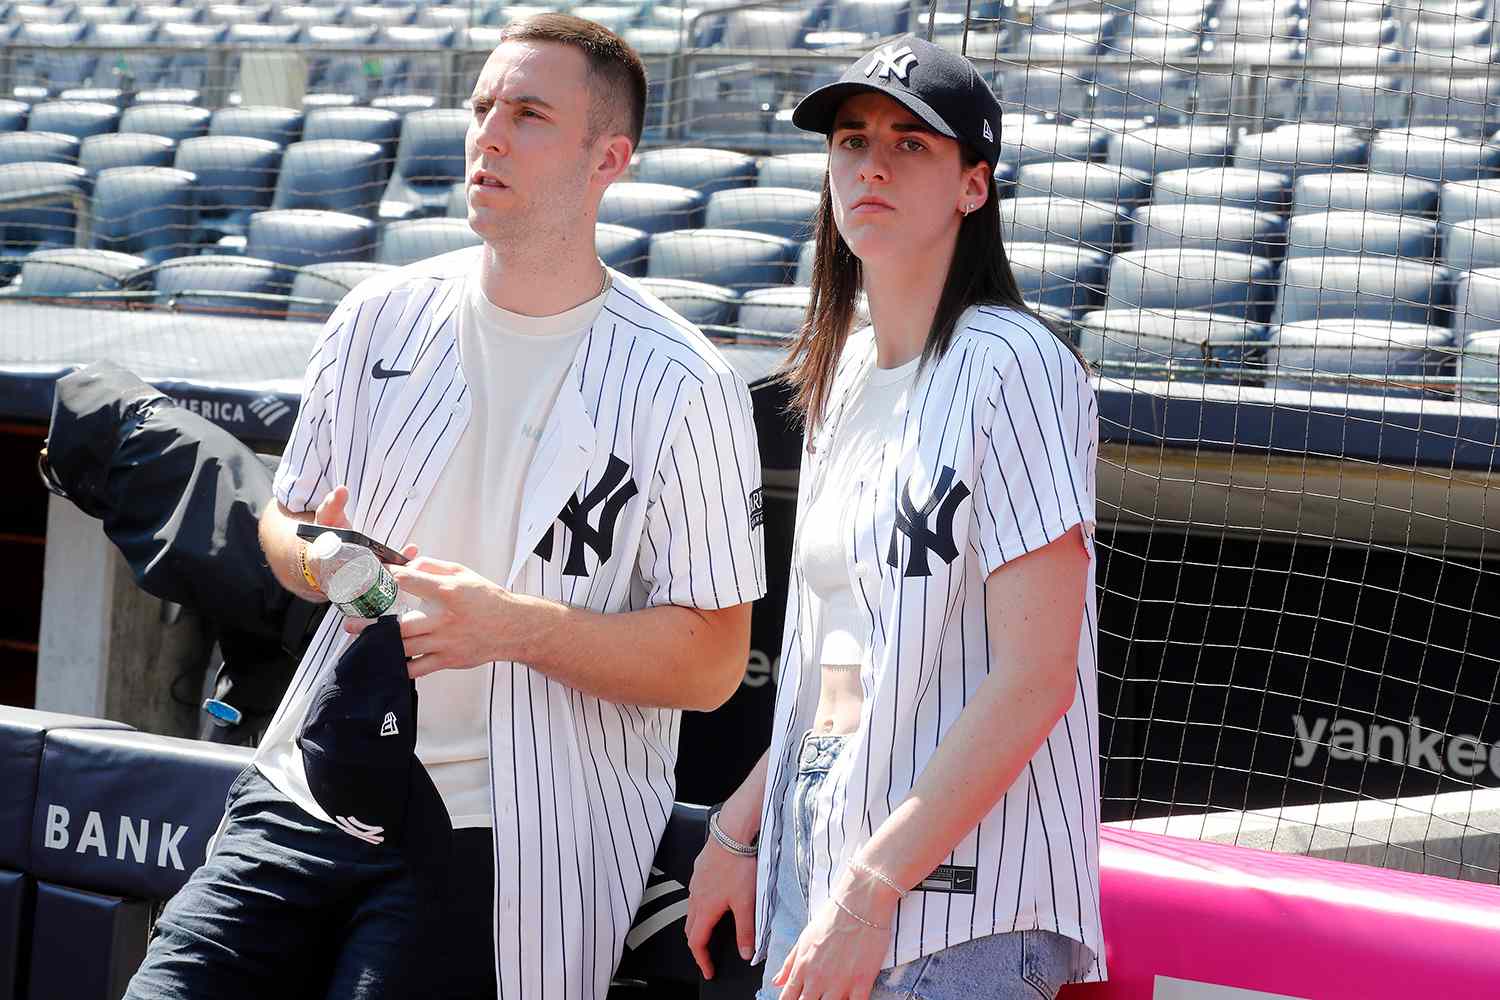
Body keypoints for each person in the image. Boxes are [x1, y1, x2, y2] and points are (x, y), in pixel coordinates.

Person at [124, 14, 767, 1000]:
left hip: (512, 830)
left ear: (611, 157)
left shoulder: (685, 381)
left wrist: (509, 628)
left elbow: (717, 662)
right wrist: (322, 560)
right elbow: (284, 519)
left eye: (528, 113)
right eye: (481, 108)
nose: (489, 134)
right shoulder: (377, 313)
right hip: (309, 786)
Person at [683, 35, 1106, 1000]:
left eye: (912, 143)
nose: (871, 161)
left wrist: (871, 892)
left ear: (973, 186)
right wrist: (742, 824)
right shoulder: (840, 372)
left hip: (953, 912)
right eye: (850, 138)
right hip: (822, 883)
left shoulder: (1018, 364)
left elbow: (1035, 679)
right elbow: (841, 671)